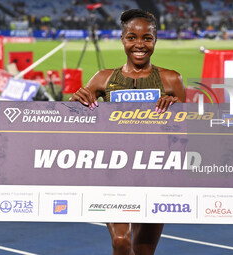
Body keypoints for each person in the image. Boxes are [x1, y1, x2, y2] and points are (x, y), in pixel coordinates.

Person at [69, 9, 186, 255]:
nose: (139, 44)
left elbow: (185, 135)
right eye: (132, 37)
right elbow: (78, 122)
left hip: (155, 175)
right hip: (115, 174)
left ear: (155, 40)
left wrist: (177, 110)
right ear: (122, 39)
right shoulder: (103, 79)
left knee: (144, 252)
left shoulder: (172, 80)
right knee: (121, 242)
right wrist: (76, 101)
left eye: (147, 38)